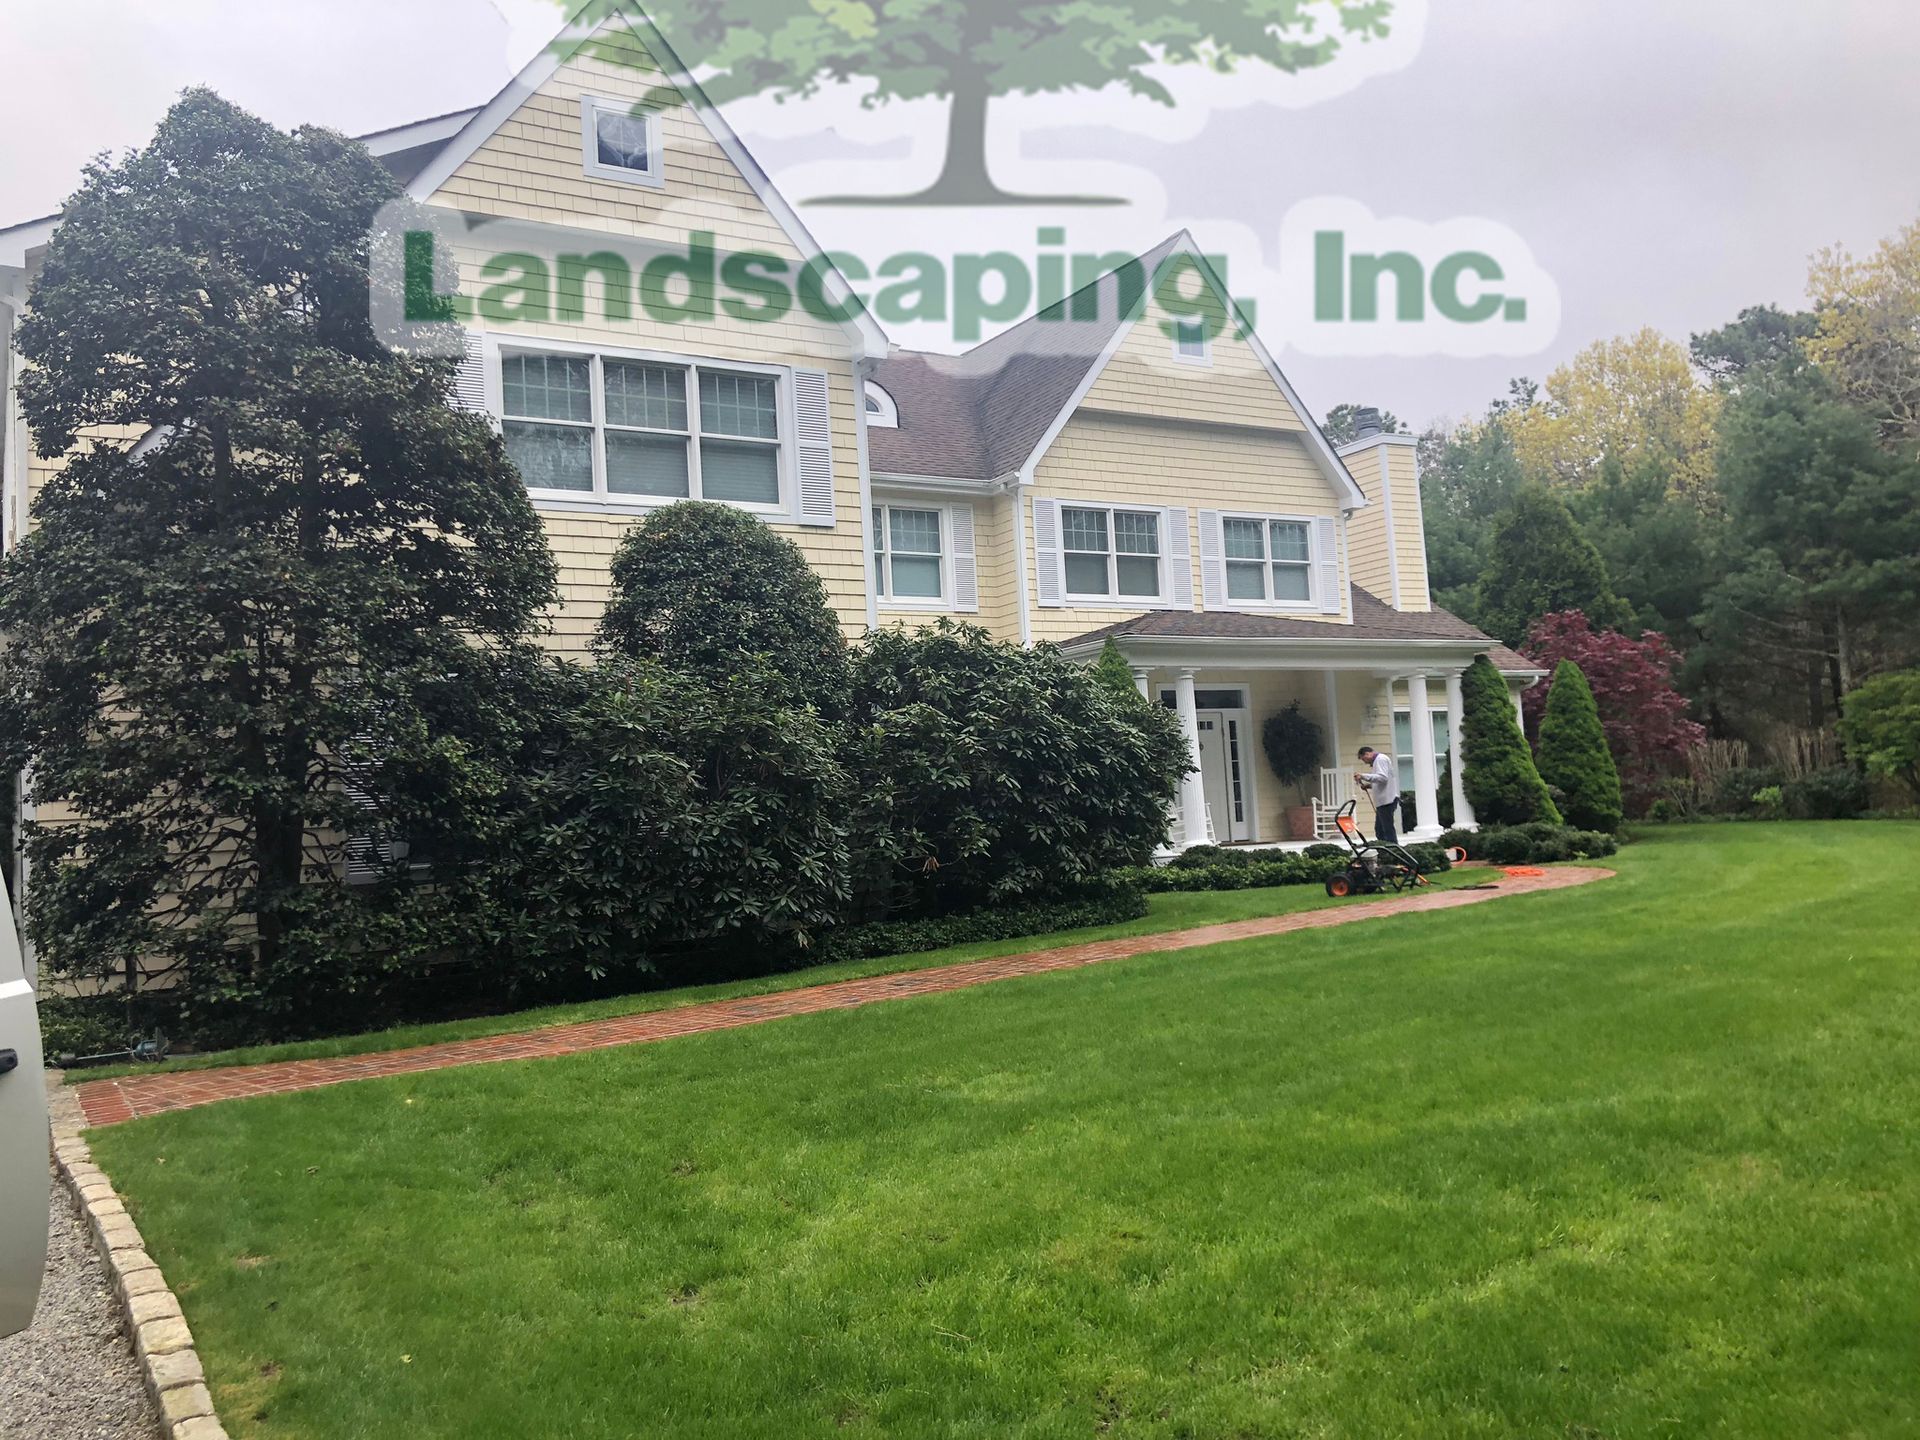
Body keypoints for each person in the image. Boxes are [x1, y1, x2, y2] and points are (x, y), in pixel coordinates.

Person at [1355, 745, 1401, 845]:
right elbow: (1382, 781)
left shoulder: (1380, 759)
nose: (1365, 762)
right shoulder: (1378, 761)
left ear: (1367, 754)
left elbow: (1383, 778)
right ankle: (1386, 849)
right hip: (1383, 801)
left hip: (1387, 800)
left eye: (1364, 759)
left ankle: (1393, 849)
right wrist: (1369, 786)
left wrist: (1363, 776)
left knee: (1387, 829)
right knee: (1380, 830)